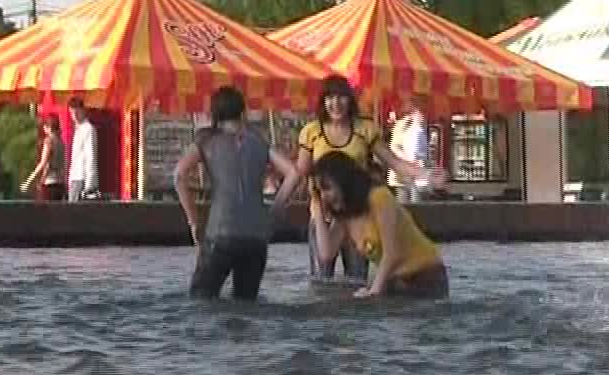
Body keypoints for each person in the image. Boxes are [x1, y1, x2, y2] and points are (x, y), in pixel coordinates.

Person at [272, 74, 446, 284]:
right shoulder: (312, 132)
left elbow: (395, 163)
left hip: (358, 214)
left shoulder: (365, 130)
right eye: (330, 98)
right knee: (320, 281)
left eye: (341, 97)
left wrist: (426, 176)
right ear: (323, 102)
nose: (336, 103)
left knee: (356, 280)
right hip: (323, 215)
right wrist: (277, 205)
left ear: (350, 100)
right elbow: (299, 172)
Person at [174, 86, 298, 301]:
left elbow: (178, 176)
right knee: (246, 306)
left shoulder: (206, 139)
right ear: (243, 112)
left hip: (219, 235)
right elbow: (294, 173)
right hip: (256, 239)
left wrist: (194, 221)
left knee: (201, 302)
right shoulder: (260, 141)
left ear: (214, 113)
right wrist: (274, 211)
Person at [309, 151, 449, 299]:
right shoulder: (345, 216)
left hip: (425, 275)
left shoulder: (379, 197)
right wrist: (317, 208)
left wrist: (373, 293)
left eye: (327, 188)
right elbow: (326, 253)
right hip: (396, 279)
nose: (324, 196)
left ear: (344, 182)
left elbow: (392, 253)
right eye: (319, 191)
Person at [388, 98, 429, 203]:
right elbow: (394, 147)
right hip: (404, 172)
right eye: (420, 111)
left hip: (417, 172)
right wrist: (409, 160)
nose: (423, 115)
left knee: (417, 202)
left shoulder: (421, 126)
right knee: (405, 203)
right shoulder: (402, 125)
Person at [20, 114, 66, 201]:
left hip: (50, 182)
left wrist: (28, 181)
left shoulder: (49, 141)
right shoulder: (61, 142)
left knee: (46, 208)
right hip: (60, 182)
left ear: (48, 127)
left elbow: (43, 163)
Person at [67, 97, 99, 202]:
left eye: (77, 112)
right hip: (75, 177)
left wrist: (90, 183)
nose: (75, 116)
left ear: (83, 111)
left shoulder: (88, 129)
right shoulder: (78, 129)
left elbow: (90, 156)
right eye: (72, 113)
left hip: (82, 178)